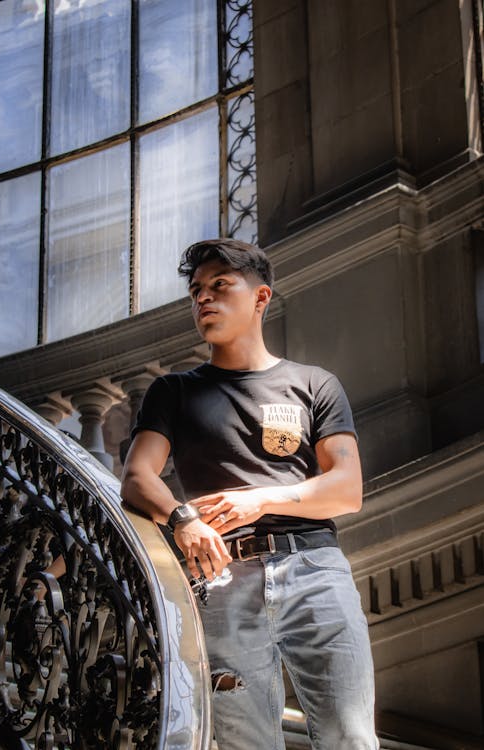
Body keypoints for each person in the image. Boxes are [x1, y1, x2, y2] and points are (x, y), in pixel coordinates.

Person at [121, 239, 378, 750]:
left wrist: (257, 499)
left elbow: (346, 489)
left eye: (220, 285)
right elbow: (137, 476)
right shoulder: (173, 392)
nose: (204, 300)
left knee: (350, 737)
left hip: (315, 571)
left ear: (260, 298)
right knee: (245, 744)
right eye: (196, 291)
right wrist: (183, 519)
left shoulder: (313, 385)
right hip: (219, 581)